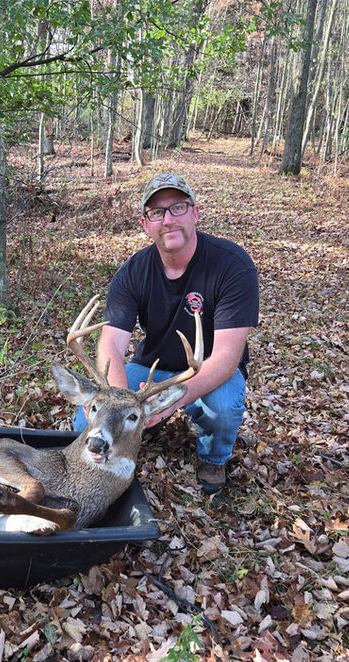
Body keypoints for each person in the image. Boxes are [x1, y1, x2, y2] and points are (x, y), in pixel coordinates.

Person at [73, 173, 259, 495]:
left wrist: (172, 401)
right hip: (152, 366)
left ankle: (213, 458)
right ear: (146, 224)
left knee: (223, 407)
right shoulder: (132, 273)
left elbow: (228, 358)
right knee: (84, 423)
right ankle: (138, 431)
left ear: (195, 213)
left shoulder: (232, 266)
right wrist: (126, 402)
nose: (168, 220)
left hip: (210, 369)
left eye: (177, 208)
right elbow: (111, 344)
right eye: (157, 213)